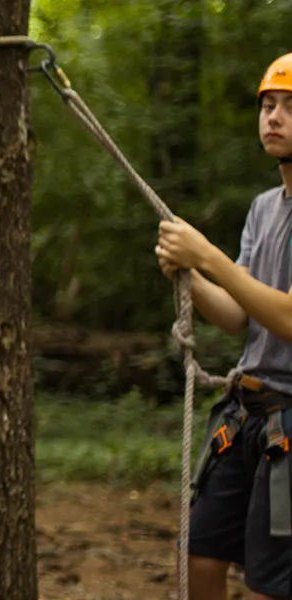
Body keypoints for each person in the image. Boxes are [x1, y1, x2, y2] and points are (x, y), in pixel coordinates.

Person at [155, 53, 292, 600]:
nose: (273, 117)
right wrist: (189, 275)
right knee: (201, 559)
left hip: (290, 419)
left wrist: (208, 257)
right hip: (247, 411)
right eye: (267, 105)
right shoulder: (264, 208)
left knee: (270, 581)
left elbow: (286, 316)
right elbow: (239, 315)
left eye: (288, 107)